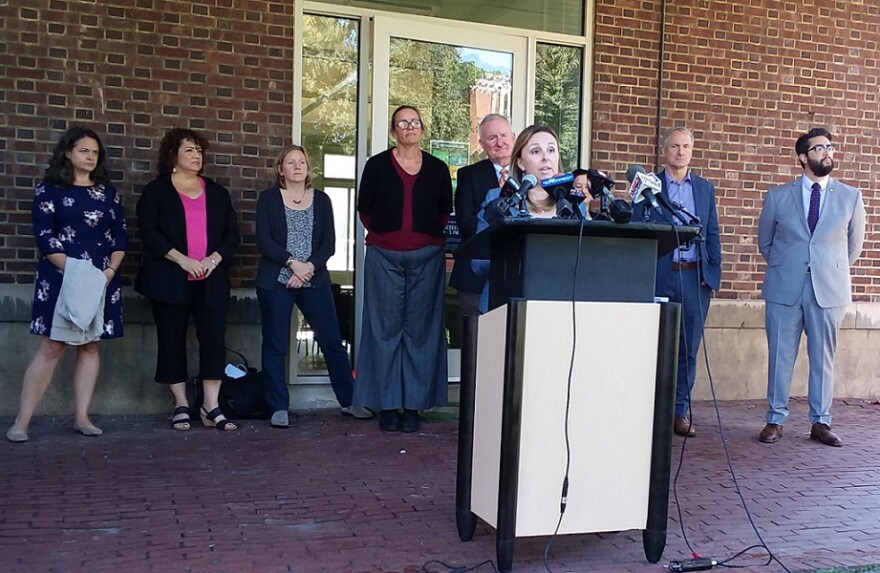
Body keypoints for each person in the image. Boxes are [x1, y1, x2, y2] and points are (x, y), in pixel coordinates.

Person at [6, 126, 128, 443]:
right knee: (51, 346)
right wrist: (77, 273)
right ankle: (21, 421)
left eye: (95, 152)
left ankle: (82, 417)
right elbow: (45, 236)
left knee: (90, 345)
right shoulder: (49, 190)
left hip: (102, 279)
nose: (90, 156)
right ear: (68, 153)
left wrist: (108, 273)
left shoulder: (108, 193)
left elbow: (120, 237)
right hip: (61, 278)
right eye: (83, 150)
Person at [757, 127, 866, 447]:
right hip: (784, 287)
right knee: (780, 355)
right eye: (819, 148)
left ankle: (821, 421)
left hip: (828, 288)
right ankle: (775, 419)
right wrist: (790, 265)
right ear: (803, 157)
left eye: (830, 147)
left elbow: (853, 248)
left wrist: (825, 268)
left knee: (823, 358)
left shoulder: (850, 197)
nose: (827, 152)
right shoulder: (778, 196)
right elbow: (766, 242)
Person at [255, 145, 373, 427]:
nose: (297, 166)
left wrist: (307, 268)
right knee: (275, 345)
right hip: (277, 280)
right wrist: (292, 263)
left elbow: (329, 243)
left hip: (313, 279)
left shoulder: (321, 200)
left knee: (332, 341)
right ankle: (278, 407)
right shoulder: (269, 199)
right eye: (290, 162)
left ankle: (349, 401)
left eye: (302, 162)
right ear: (280, 169)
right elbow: (264, 240)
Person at [354, 105, 453, 433]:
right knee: (384, 331)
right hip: (384, 255)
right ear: (393, 131)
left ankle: (413, 405)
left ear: (422, 129)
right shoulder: (377, 166)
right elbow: (364, 209)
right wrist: (388, 236)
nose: (409, 127)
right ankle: (386, 405)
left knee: (420, 332)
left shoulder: (438, 169)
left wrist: (422, 239)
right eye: (402, 123)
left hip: (428, 257)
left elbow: (444, 213)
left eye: (414, 122)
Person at [135, 128, 240, 432]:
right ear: (173, 156)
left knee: (213, 340)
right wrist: (184, 261)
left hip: (211, 279)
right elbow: (149, 233)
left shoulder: (217, 192)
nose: (197, 156)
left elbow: (232, 234)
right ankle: (180, 404)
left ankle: (211, 405)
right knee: (171, 339)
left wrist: (211, 261)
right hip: (169, 278)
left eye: (199, 151)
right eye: (189, 151)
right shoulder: (156, 191)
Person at [631, 127, 721, 438]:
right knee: (651, 345)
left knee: (688, 349)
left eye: (685, 147)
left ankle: (679, 411)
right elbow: (636, 226)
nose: (680, 152)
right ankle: (648, 410)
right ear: (665, 151)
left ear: (692, 151)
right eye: (674, 146)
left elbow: (712, 233)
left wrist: (712, 278)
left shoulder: (705, 189)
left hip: (694, 277)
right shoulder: (648, 186)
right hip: (660, 273)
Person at [471, 124, 587, 313]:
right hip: (505, 307)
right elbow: (479, 263)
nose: (545, 157)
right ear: (520, 162)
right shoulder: (498, 199)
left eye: (551, 150)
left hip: (559, 307)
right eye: (535, 151)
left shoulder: (574, 203)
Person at [449, 114, 515, 322]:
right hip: (475, 274)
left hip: (517, 270)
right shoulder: (468, 175)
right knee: (475, 344)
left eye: (504, 135)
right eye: (492, 137)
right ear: (482, 143)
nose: (500, 142)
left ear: (513, 137)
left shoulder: (529, 174)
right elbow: (466, 222)